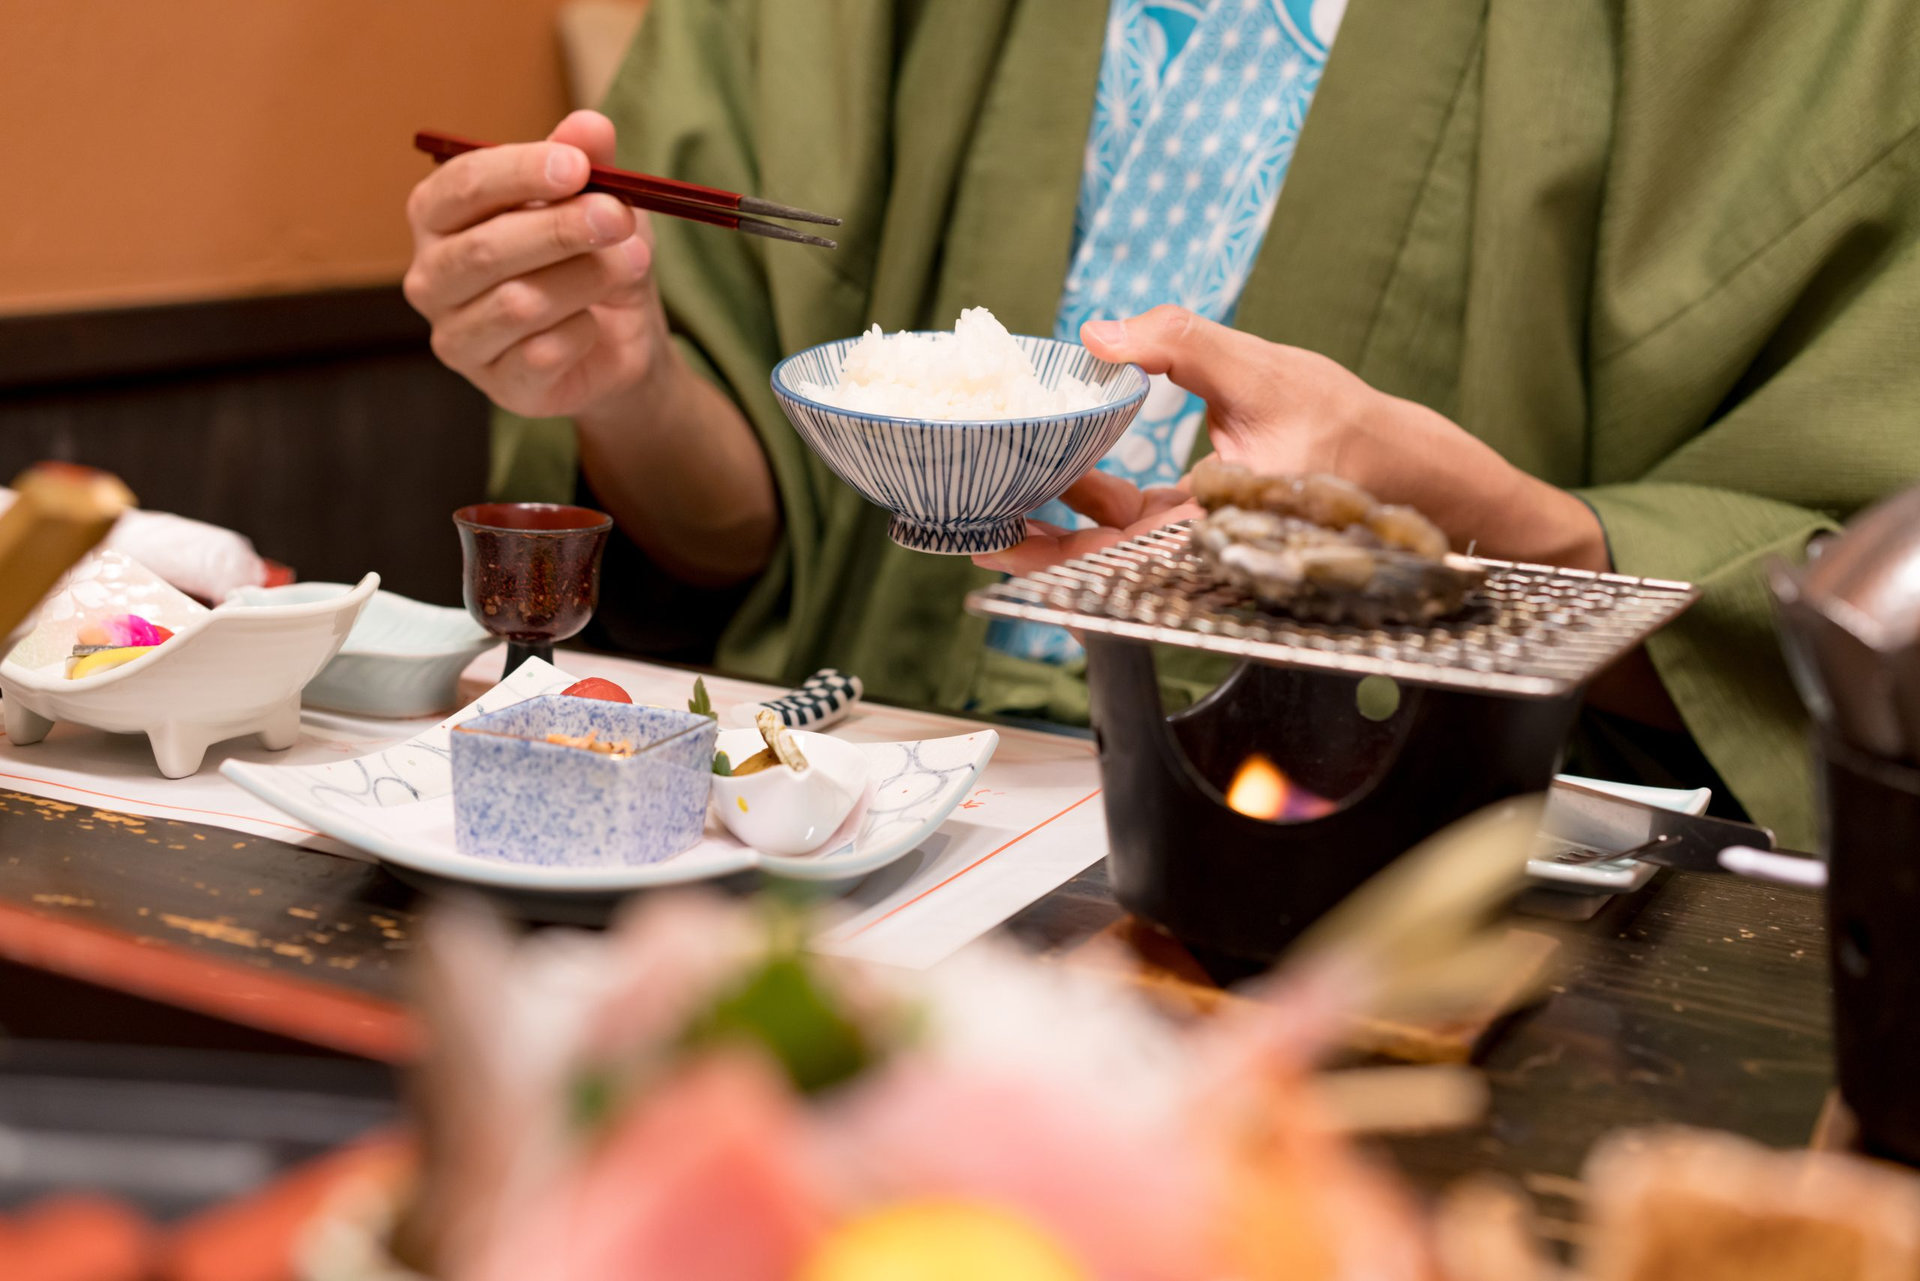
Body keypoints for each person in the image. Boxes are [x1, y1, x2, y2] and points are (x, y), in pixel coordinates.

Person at [403, 0, 1920, 851]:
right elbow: (731, 531)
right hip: (862, 808)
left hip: (1398, 893)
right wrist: (621, 378)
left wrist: (1473, 543)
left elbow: (1836, 610)